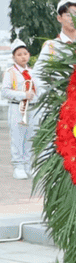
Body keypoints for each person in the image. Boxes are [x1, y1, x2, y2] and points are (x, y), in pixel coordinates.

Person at [4, 41, 35, 179]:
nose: (23, 57)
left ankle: (29, 165)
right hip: (17, 107)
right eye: (19, 55)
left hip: (32, 109)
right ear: (14, 57)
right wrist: (23, 95)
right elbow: (4, 91)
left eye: (25, 54)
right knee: (17, 137)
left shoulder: (32, 72)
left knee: (30, 137)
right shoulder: (10, 72)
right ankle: (18, 166)